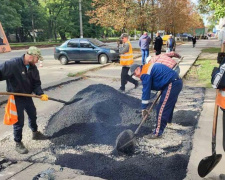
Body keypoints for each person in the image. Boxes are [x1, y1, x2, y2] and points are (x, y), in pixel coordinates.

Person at [0, 46, 49, 154]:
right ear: (31, 57)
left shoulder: (33, 68)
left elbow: (36, 83)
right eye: (37, 59)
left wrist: (40, 93)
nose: (37, 61)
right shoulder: (12, 64)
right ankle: (18, 142)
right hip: (16, 97)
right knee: (18, 121)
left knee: (33, 114)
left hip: (28, 96)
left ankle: (35, 133)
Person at [130, 62, 183, 139]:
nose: (135, 76)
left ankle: (157, 133)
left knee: (162, 107)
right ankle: (168, 122)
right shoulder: (146, 69)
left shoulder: (145, 73)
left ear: (138, 69)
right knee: (168, 105)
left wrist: (144, 107)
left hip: (172, 83)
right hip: (173, 82)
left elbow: (146, 91)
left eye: (134, 73)